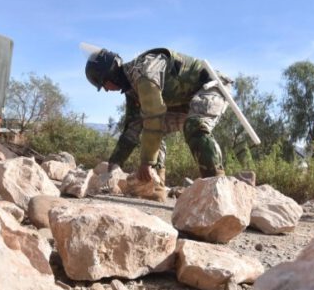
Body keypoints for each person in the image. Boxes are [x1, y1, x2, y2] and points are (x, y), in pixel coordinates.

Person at [85, 45, 229, 196]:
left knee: (194, 125)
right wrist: (114, 164)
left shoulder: (144, 73)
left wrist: (146, 162)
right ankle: (156, 187)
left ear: (111, 74)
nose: (106, 89)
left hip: (211, 87)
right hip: (184, 100)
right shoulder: (133, 90)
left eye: (104, 84)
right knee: (153, 130)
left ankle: (217, 189)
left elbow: (154, 116)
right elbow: (131, 130)